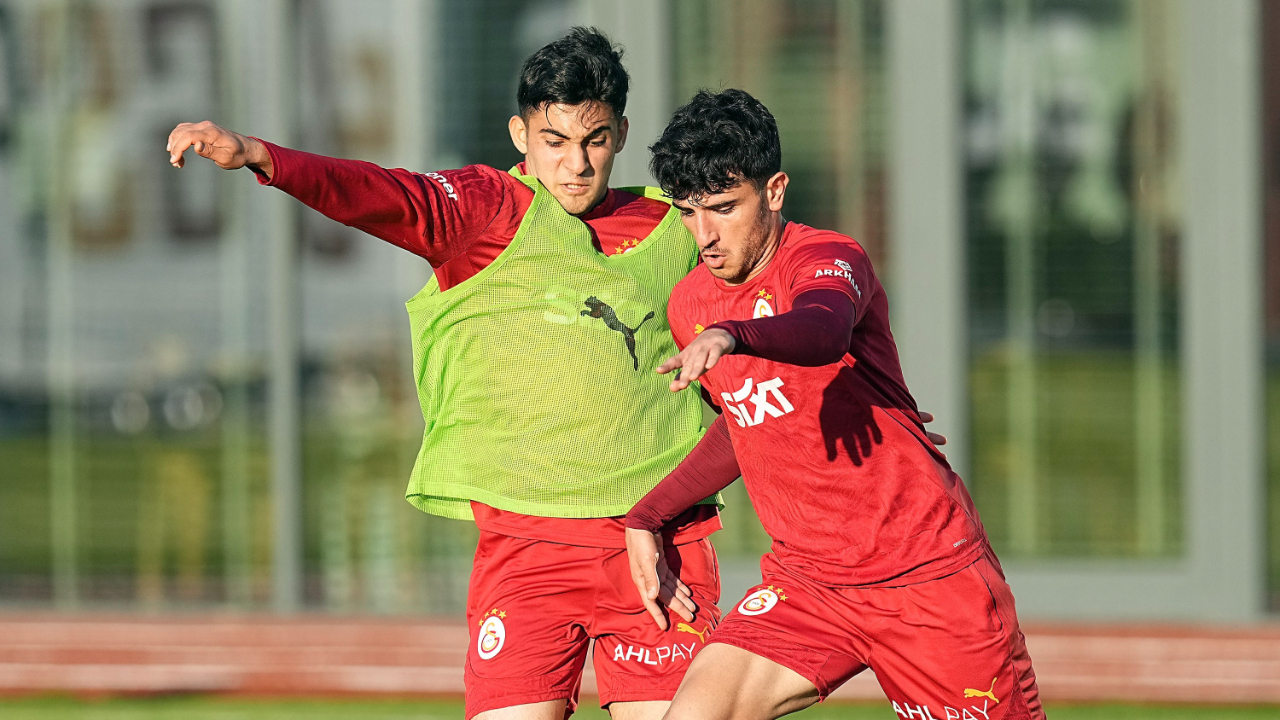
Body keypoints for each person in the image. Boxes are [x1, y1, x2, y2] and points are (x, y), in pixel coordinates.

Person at [167, 28, 717, 720]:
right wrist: (260, 156)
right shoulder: (485, 209)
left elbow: (769, 293)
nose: (576, 164)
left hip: (657, 549)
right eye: (555, 141)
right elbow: (378, 192)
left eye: (595, 140)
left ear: (622, 133)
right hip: (526, 550)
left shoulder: (680, 228)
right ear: (520, 133)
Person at [624, 89, 1044, 720]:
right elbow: (748, 422)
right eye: (688, 213)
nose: (705, 236)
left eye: (723, 208)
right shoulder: (691, 304)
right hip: (808, 584)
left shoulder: (826, 258)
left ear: (775, 190)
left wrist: (735, 333)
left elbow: (822, 332)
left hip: (925, 576)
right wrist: (647, 514)